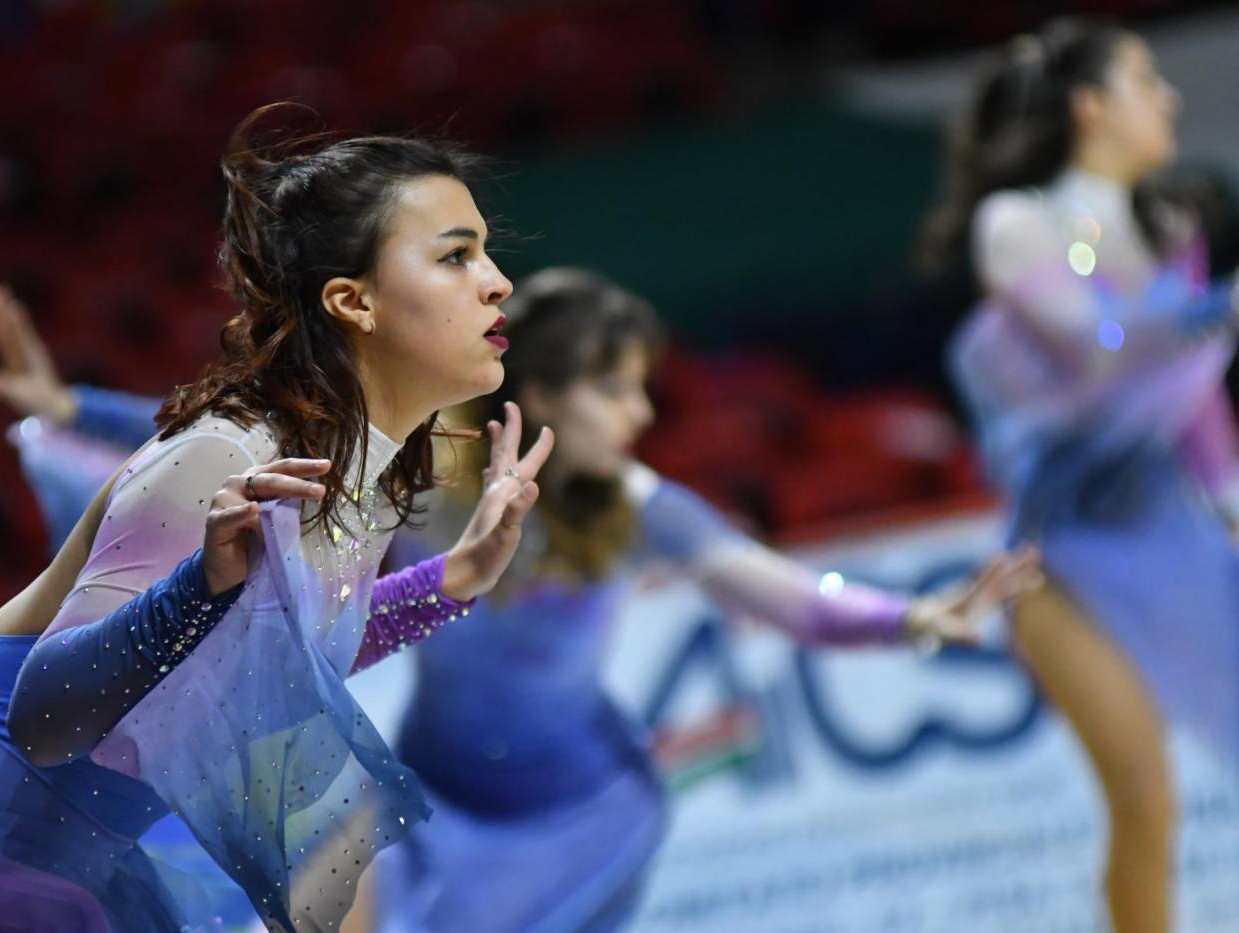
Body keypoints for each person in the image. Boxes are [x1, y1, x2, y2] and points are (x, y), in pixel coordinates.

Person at [0, 104, 553, 932]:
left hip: (56, 858)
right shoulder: (226, 456)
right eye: (457, 255)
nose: (498, 281)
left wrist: (449, 582)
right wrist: (197, 589)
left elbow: (274, 667)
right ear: (353, 301)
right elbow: (42, 718)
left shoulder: (367, 487)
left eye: (485, 251)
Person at [364, 268, 1038, 932]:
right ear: (540, 397)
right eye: (614, 390)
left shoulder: (640, 507)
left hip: (576, 821)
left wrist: (912, 618)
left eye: (641, 388)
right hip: (428, 798)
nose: (642, 413)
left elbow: (796, 602)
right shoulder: (429, 483)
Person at [920, 19, 1239, 932]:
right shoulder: (1016, 224)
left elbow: (1191, 398)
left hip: (1174, 539)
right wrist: (1219, 310)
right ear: (1090, 107)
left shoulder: (1170, 226)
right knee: (1146, 797)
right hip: (1060, 564)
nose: (1168, 99)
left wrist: (1231, 505)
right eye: (1145, 82)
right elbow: (1092, 343)